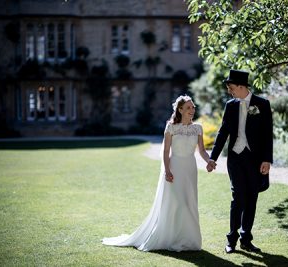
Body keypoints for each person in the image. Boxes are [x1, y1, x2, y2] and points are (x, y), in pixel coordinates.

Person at [102, 95, 211, 252]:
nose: (192, 110)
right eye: (188, 107)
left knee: (190, 203)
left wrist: (209, 161)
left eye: (193, 107)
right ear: (180, 110)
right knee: (178, 203)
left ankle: (190, 241)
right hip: (174, 168)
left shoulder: (197, 128)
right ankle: (172, 238)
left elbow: (201, 150)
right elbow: (166, 151)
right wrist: (167, 170)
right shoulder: (171, 127)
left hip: (190, 169)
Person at [206, 69, 273, 254]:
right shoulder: (230, 105)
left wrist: (267, 159)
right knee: (238, 198)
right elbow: (222, 132)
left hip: (255, 159)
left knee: (252, 198)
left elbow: (268, 134)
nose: (230, 91)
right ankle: (231, 240)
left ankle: (246, 239)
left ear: (242, 86)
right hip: (235, 159)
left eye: (231, 87)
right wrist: (213, 157)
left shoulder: (262, 104)